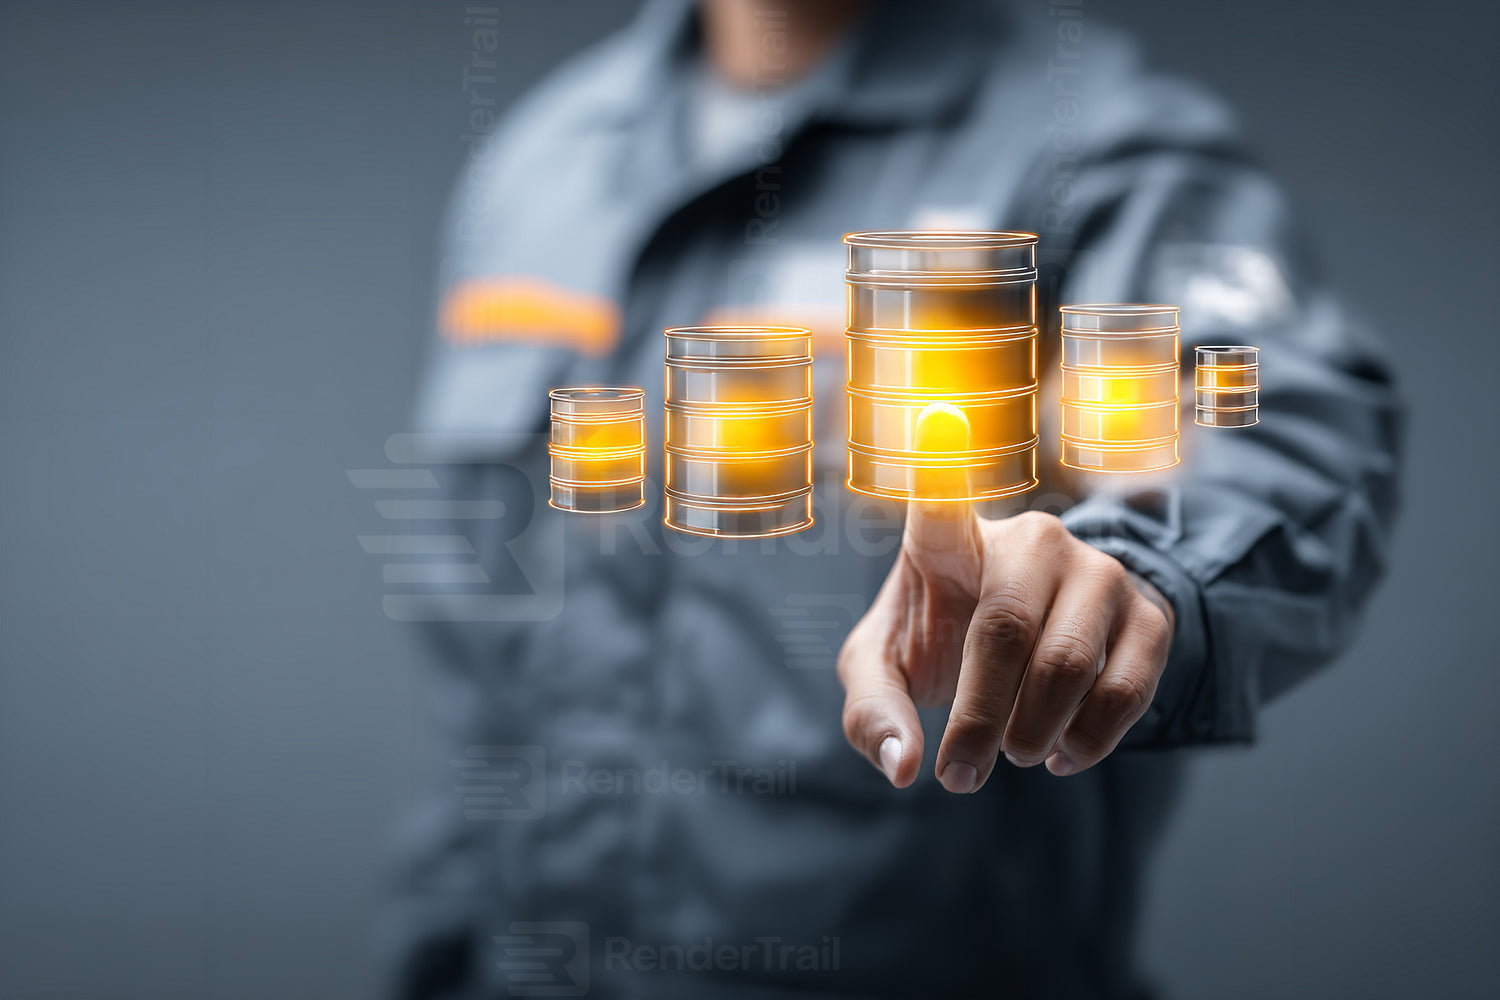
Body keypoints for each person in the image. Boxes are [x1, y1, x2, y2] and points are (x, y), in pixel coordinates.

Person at [394, 0, 1401, 996]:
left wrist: (1134, 571)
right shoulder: (546, 158)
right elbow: (493, 652)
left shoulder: (1098, 145)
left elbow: (1263, 427)